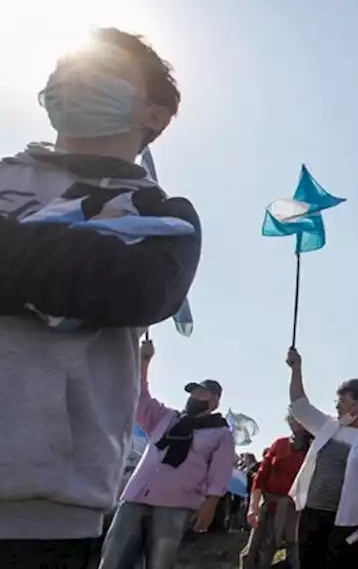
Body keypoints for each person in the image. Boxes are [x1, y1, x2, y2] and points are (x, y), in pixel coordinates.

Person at [0, 29, 202, 569]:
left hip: (45, 510)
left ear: (155, 115)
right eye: (67, 65)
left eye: (103, 69)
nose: (75, 77)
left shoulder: (165, 213)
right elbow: (89, 280)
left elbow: (134, 289)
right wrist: (65, 264)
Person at [99, 339, 236, 569]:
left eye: (201, 393)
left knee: (159, 563)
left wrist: (210, 506)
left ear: (214, 401)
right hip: (135, 497)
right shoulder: (167, 418)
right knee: (113, 559)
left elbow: (219, 475)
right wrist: (144, 361)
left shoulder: (221, 434)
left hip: (176, 505)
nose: (193, 397)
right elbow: (139, 398)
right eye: (192, 392)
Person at [285, 348, 358, 569]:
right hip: (312, 512)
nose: (337, 404)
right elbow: (300, 407)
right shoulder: (328, 425)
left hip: (343, 519)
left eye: (342, 399)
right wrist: (296, 369)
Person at [241, 415, 311, 569]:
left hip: (297, 511)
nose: (294, 421)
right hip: (270, 507)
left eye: (298, 417)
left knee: (296, 553)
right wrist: (253, 507)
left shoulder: (314, 449)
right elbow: (260, 477)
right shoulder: (280, 444)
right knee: (259, 551)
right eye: (291, 417)